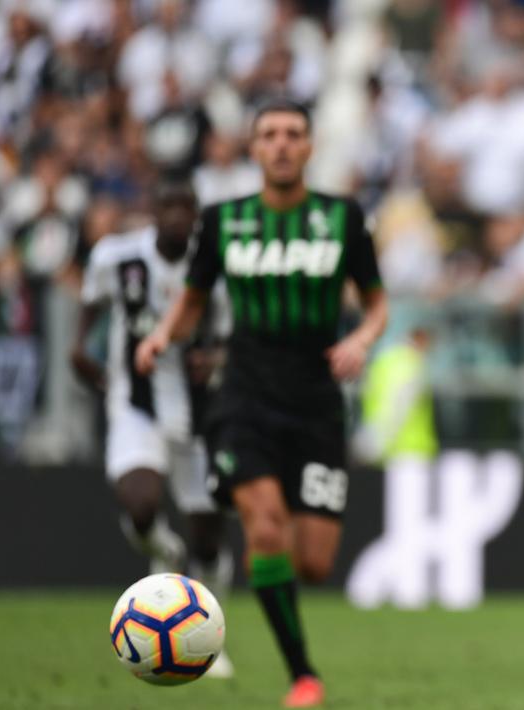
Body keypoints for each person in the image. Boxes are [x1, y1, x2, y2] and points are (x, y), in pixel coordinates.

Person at [135, 99, 387, 708]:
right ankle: (303, 674)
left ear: (308, 147)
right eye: (268, 134)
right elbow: (193, 299)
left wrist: (359, 338)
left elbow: (377, 303)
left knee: (315, 563)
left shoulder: (342, 217)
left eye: (292, 134)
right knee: (266, 528)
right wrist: (164, 334)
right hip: (243, 393)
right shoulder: (222, 220)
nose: (280, 144)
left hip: (317, 402)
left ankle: (242, 535)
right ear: (252, 149)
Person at [72, 181, 234, 678]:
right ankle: (165, 550)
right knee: (140, 502)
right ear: (153, 211)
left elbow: (233, 336)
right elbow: (90, 305)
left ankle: (212, 640)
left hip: (201, 418)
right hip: (136, 403)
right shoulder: (116, 258)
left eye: (187, 207)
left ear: (197, 217)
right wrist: (81, 350)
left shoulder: (217, 270)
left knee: (210, 537)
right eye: (168, 206)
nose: (177, 216)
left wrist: (219, 360)